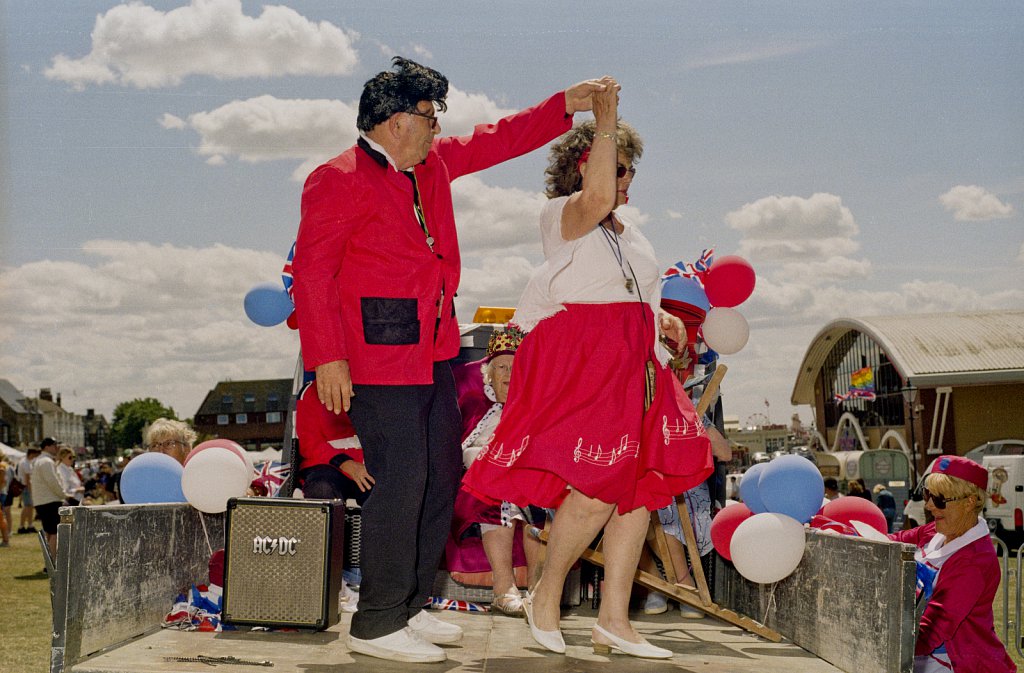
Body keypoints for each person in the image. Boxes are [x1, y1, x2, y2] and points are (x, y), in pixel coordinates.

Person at [290, 55, 611, 664]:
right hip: (373, 362)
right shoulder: (335, 177)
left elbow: (500, 139)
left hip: (434, 353)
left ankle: (409, 608)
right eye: (429, 117)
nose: (438, 129)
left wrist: (566, 103)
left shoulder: (433, 162)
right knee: (402, 482)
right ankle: (376, 622)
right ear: (394, 123)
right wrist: (326, 360)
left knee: (441, 478)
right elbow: (311, 274)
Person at [462, 88, 714, 659]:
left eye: (631, 170)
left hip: (636, 360)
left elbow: (638, 294)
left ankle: (614, 620)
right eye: (622, 167)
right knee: (597, 485)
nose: (628, 181)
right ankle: (546, 595)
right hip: (586, 356)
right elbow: (598, 196)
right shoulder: (563, 214)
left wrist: (664, 325)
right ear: (587, 162)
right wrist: (605, 120)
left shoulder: (633, 234)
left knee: (638, 488)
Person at [888, 455, 1015, 673]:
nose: (928, 505)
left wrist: (880, 641)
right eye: (928, 495)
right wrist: (842, 533)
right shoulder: (936, 531)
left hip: (955, 665)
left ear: (969, 502)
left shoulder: (975, 561)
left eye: (939, 500)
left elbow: (930, 631)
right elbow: (890, 542)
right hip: (917, 656)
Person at [449, 327, 543, 617]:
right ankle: (505, 590)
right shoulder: (471, 400)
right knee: (498, 494)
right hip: (478, 480)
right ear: (487, 373)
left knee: (541, 498)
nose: (508, 374)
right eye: (501, 367)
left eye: (515, 368)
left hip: (525, 476)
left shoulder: (534, 400)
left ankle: (540, 592)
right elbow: (457, 448)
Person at [31, 438, 74, 560]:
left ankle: (50, 561)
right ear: (47, 446)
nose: (57, 447)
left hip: (43, 501)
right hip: (50, 501)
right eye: (55, 445)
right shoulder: (46, 461)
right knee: (55, 532)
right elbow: (53, 482)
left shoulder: (40, 460)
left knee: (50, 532)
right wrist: (64, 495)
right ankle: (53, 561)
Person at [16, 447, 40, 533]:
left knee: (29, 507)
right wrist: (31, 490)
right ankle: (21, 526)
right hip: (26, 487)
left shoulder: (25, 461)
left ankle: (30, 525)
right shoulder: (25, 462)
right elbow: (27, 478)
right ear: (32, 454)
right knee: (27, 507)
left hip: (26, 487)